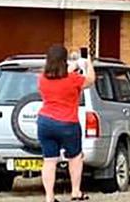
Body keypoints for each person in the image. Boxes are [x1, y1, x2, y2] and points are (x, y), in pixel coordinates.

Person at [37, 44, 96, 202]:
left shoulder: (42, 79)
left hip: (45, 122)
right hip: (67, 123)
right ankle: (75, 191)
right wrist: (87, 63)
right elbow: (90, 80)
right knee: (75, 157)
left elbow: (56, 76)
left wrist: (73, 66)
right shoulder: (73, 79)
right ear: (65, 60)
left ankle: (49, 196)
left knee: (49, 160)